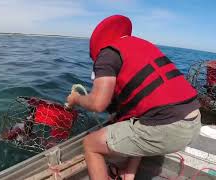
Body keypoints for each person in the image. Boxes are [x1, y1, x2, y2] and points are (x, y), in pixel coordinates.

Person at [67, 15, 201, 180]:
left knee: (90, 145)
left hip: (168, 129)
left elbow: (98, 103)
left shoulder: (107, 54)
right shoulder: (142, 46)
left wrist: (76, 99)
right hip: (194, 124)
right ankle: (128, 176)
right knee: (137, 123)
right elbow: (139, 116)